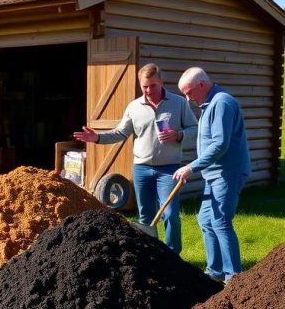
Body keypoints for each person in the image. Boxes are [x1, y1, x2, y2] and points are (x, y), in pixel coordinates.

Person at [73, 63, 197, 253]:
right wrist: (97, 137)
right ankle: (148, 256)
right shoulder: (134, 107)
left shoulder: (178, 103)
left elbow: (195, 129)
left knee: (170, 214)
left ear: (161, 82)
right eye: (144, 86)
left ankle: (173, 256)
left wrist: (178, 135)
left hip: (169, 168)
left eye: (152, 86)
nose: (148, 90)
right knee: (145, 216)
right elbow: (120, 133)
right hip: (142, 169)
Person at [172, 67, 250, 283]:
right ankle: (214, 272)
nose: (187, 99)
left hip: (228, 172)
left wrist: (192, 167)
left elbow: (220, 145)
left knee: (221, 221)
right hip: (214, 174)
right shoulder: (208, 104)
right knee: (205, 219)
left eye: (189, 93)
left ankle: (234, 277)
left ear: (202, 85)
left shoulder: (222, 103)